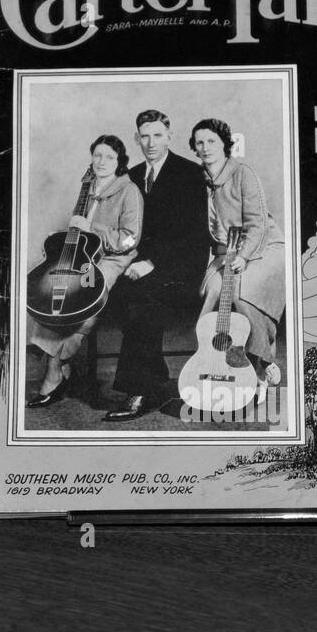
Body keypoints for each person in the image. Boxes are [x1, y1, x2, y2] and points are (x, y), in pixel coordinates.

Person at [105, 109, 208, 422]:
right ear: (137, 139)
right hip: (138, 266)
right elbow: (126, 230)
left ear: (169, 136)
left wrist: (152, 262)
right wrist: (128, 259)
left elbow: (195, 233)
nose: (151, 142)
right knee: (118, 291)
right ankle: (157, 380)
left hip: (182, 268)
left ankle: (138, 390)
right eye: (145, 136)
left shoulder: (190, 173)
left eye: (158, 135)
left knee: (141, 301)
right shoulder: (131, 177)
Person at [27, 134, 141, 408]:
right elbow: (79, 230)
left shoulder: (129, 191)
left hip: (113, 258)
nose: (102, 162)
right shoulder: (87, 187)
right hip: (83, 254)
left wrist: (95, 229)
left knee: (82, 300)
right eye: (97, 155)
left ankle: (55, 369)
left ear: (120, 162)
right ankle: (58, 365)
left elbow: (130, 238)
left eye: (110, 157)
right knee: (49, 292)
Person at [190, 118, 286, 403]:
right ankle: (210, 361)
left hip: (263, 248)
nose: (205, 148)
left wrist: (244, 257)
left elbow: (258, 225)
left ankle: (259, 366)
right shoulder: (196, 180)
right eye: (199, 142)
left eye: (211, 141)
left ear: (224, 144)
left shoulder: (243, 174)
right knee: (214, 291)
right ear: (194, 148)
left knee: (244, 292)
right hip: (225, 252)